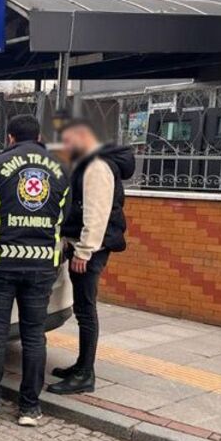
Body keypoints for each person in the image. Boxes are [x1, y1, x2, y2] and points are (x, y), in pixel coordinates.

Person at [0, 114, 70, 427]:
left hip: (0, 262)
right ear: (38, 137)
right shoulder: (61, 168)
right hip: (42, 264)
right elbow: (70, 215)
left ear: (9, 137)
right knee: (34, 336)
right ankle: (30, 408)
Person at [47, 119, 136, 395]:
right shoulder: (87, 163)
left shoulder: (96, 167)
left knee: (86, 310)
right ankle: (81, 366)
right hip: (80, 243)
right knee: (82, 308)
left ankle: (85, 374)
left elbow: (96, 213)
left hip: (90, 248)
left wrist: (85, 250)